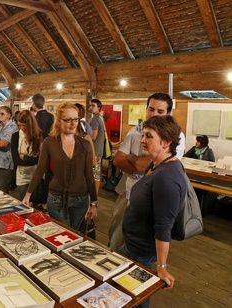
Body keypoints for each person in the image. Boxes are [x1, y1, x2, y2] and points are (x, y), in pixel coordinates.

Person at [120, 115, 187, 304]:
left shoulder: (168, 177)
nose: (142, 140)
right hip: (133, 246)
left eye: (149, 136)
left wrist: (162, 266)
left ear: (166, 142)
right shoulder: (157, 164)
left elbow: (163, 226)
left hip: (142, 252)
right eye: (143, 135)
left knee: (136, 298)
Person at [109, 92, 186, 250]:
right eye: (151, 109)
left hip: (150, 200)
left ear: (169, 114)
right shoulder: (135, 130)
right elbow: (118, 159)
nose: (154, 114)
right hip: (127, 192)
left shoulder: (176, 136)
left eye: (160, 111)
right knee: (116, 239)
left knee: (139, 247)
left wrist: (132, 158)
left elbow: (152, 166)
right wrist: (139, 165)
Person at [22, 104, 98, 232]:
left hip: (80, 200)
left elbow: (89, 175)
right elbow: (40, 169)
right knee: (62, 233)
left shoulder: (85, 144)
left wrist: (94, 203)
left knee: (75, 235)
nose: (73, 123)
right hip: (56, 198)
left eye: (75, 119)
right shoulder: (49, 143)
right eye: (68, 120)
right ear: (59, 121)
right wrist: (28, 194)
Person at [11, 110, 43, 201]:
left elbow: (41, 159)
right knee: (23, 201)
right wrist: (32, 159)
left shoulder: (39, 135)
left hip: (36, 176)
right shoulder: (15, 136)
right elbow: (16, 160)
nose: (21, 128)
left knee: (34, 203)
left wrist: (25, 158)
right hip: (21, 175)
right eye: (19, 125)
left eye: (24, 125)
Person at [0, 106, 18, 193]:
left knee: (2, 190)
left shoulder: (13, 127)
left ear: (9, 115)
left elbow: (3, 144)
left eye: (2, 114)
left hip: (5, 164)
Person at [89, 98, 106, 194]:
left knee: (94, 175)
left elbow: (93, 137)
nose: (90, 107)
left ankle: (93, 197)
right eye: (90, 105)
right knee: (97, 174)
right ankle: (94, 196)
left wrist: (85, 136)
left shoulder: (95, 119)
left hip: (94, 151)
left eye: (93, 106)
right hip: (99, 150)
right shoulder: (101, 118)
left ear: (98, 108)